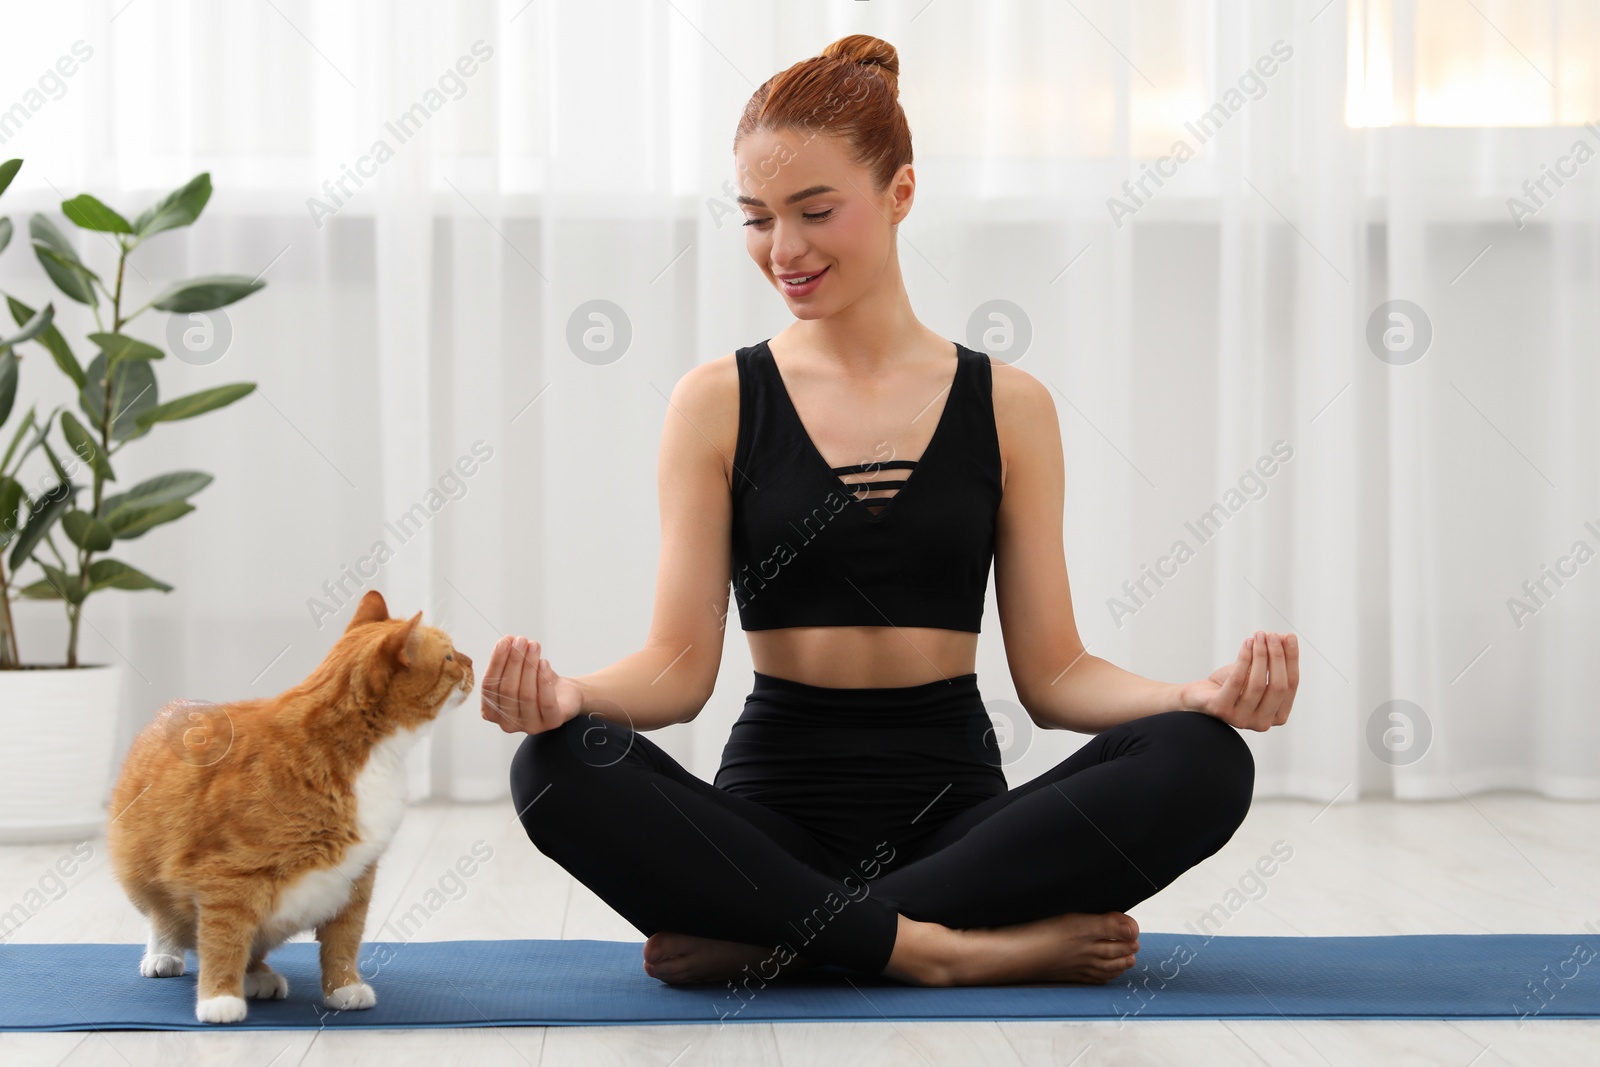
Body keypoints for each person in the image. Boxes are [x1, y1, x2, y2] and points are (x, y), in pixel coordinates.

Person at [482, 33, 1298, 989]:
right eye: (755, 219)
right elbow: (676, 670)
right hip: (770, 823)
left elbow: (1057, 672)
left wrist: (1187, 697)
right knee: (555, 768)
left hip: (961, 827)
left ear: (901, 194)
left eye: (814, 211)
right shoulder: (717, 402)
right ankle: (946, 950)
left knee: (1202, 759)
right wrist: (570, 697)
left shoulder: (1009, 405)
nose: (782, 250)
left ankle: (794, 937)